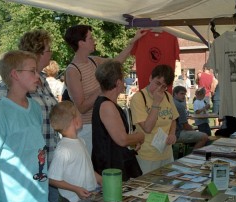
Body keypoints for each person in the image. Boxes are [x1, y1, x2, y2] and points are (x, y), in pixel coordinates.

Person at [0, 29, 60, 202]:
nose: (37, 77)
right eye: (32, 72)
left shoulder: (33, 107)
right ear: (15, 75)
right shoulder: (0, 109)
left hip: (39, 201)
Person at [64, 25, 146, 155]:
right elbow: (81, 107)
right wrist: (103, 87)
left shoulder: (94, 61)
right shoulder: (72, 71)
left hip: (104, 123)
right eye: (90, 38)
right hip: (88, 129)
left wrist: (133, 41)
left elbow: (116, 62)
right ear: (81, 43)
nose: (94, 41)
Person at [92, 60, 144, 181]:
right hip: (110, 166)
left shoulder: (106, 103)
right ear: (118, 82)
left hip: (114, 163)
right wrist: (140, 137)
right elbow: (122, 139)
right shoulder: (107, 106)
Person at [48, 101, 102, 202]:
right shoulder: (63, 149)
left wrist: (99, 178)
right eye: (79, 114)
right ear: (74, 121)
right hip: (70, 200)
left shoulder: (80, 141)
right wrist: (76, 189)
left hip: (87, 196)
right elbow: (52, 179)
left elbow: (85, 166)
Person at [130, 64, 179, 174]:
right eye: (157, 83)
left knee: (167, 187)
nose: (159, 88)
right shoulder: (139, 98)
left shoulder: (167, 96)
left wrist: (172, 134)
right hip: (147, 155)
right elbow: (147, 128)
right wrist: (156, 103)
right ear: (150, 78)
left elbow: (173, 120)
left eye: (164, 86)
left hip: (166, 153)